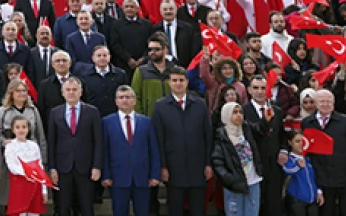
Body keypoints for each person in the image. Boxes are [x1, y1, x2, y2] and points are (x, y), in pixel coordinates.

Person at [152, 66, 213, 216]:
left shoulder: (200, 104)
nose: (178, 83)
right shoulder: (160, 106)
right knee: (175, 209)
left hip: (197, 167)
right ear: (169, 83)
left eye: (181, 80)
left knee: (198, 209)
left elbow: (208, 136)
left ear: (187, 82)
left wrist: (208, 164)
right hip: (173, 169)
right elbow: (158, 139)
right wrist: (163, 166)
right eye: (174, 80)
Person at [300, 89, 346, 216]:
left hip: (344, 178)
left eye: (328, 101)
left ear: (333, 104)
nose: (325, 104)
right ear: (316, 103)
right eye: (322, 101)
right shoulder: (307, 123)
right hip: (321, 178)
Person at [47, 76, 102, 216]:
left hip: (86, 167)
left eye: (74, 90)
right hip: (62, 168)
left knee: (86, 207)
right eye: (68, 90)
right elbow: (52, 142)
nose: (71, 92)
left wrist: (97, 166)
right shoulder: (55, 113)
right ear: (62, 92)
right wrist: (52, 168)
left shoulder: (92, 111)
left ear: (81, 92)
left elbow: (98, 141)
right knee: (63, 207)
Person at [102, 86, 160, 216]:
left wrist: (155, 174)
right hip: (118, 177)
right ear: (116, 101)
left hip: (142, 177)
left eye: (128, 97)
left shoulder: (146, 122)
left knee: (143, 212)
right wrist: (106, 174)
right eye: (121, 97)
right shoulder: (107, 122)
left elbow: (153, 150)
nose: (124, 100)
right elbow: (105, 150)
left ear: (134, 101)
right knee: (119, 212)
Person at [243, 75, 286, 216]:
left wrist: (284, 151)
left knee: (274, 205)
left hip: (274, 165)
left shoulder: (277, 111)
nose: (260, 91)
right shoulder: (243, 111)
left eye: (263, 88)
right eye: (256, 88)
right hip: (254, 166)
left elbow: (282, 135)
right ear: (249, 90)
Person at [211, 101, 263, 216]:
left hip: (253, 181)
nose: (238, 115)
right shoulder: (221, 135)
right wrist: (230, 179)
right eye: (234, 112)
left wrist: (267, 120)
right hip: (234, 185)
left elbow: (262, 130)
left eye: (240, 112)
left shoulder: (247, 128)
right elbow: (217, 161)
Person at [4, 115, 49, 216]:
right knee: (20, 212)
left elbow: (40, 167)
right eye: (18, 127)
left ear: (28, 129)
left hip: (35, 185)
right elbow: (12, 166)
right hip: (19, 185)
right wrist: (28, 172)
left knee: (34, 213)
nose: (21, 130)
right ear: (13, 129)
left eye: (24, 127)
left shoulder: (33, 145)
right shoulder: (10, 146)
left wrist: (44, 190)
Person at [77, 45, 128, 117]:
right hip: (93, 116)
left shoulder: (120, 74)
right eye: (99, 55)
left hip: (115, 115)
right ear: (93, 58)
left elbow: (126, 95)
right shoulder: (84, 76)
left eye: (105, 55)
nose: (102, 58)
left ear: (109, 57)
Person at [282, 130, 324, 216]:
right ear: (290, 142)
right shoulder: (289, 159)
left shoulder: (308, 158)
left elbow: (316, 177)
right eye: (297, 141)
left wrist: (319, 192)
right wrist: (298, 166)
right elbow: (287, 170)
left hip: (312, 200)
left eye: (302, 141)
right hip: (297, 201)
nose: (301, 144)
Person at [131, 34, 171, 116]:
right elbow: (135, 96)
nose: (152, 52)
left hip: (171, 119)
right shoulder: (141, 71)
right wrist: (141, 118)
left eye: (157, 49)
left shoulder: (175, 71)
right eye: (150, 49)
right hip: (149, 119)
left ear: (165, 50)